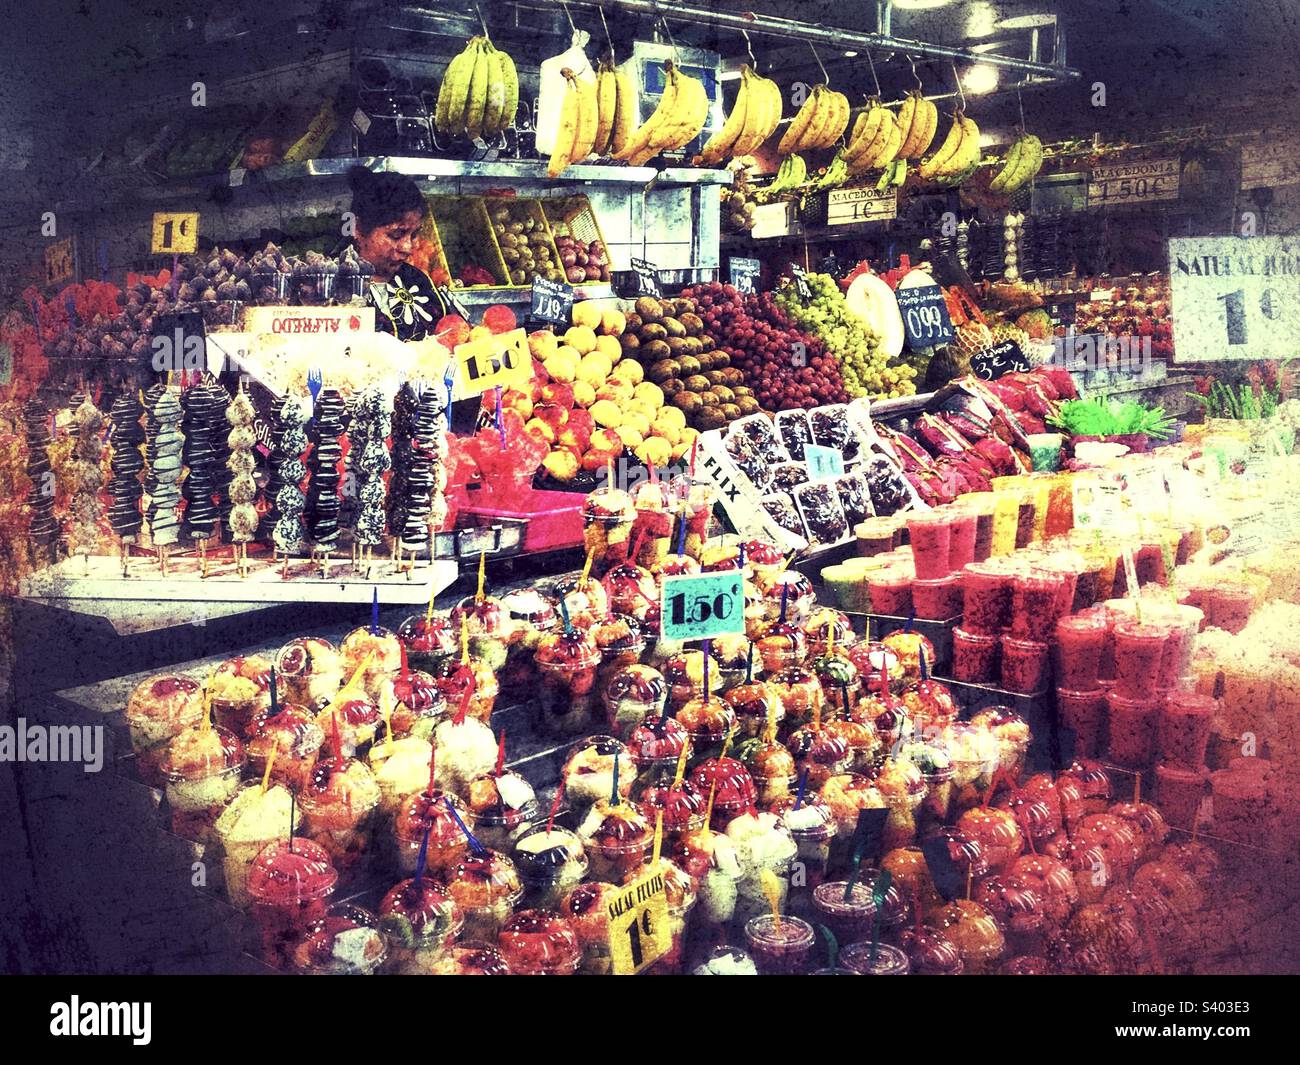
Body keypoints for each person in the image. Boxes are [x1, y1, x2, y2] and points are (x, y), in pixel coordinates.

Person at [349, 166, 450, 341]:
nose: (408, 247)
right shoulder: (328, 287)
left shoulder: (419, 281)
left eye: (414, 234)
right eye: (396, 234)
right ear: (358, 228)